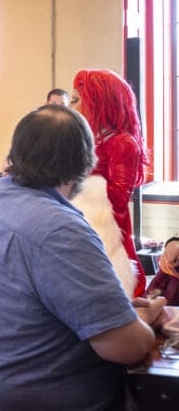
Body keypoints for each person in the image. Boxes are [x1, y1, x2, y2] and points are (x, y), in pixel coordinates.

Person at [0, 105, 166, 411]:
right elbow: (126, 347)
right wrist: (143, 320)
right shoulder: (59, 229)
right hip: (29, 397)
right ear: (83, 164)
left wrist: (115, 313)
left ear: (16, 151)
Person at [71, 68, 148, 297]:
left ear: (98, 101)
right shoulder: (89, 140)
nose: (71, 107)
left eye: (76, 100)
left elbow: (118, 198)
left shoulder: (123, 143)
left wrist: (75, 185)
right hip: (82, 226)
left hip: (108, 232)